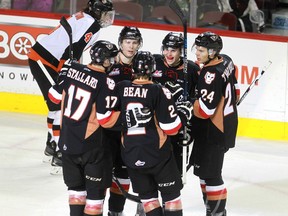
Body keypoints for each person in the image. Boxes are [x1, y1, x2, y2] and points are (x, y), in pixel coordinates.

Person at [27, 0, 115, 174]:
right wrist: (69, 71)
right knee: (59, 105)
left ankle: (52, 146)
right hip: (45, 61)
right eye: (105, 14)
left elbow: (72, 48)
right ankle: (60, 153)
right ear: (97, 12)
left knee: (56, 106)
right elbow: (75, 48)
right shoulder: (92, 25)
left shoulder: (85, 17)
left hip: (44, 59)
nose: (107, 18)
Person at [110, 51, 191, 216]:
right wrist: (183, 112)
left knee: (148, 199)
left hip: (131, 155)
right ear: (153, 70)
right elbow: (171, 128)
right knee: (171, 198)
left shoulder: (121, 87)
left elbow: (108, 118)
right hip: (157, 155)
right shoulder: (158, 90)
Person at [48, 40, 120, 216]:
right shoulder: (105, 81)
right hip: (91, 148)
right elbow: (105, 120)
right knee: (95, 197)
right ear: (103, 60)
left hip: (67, 144)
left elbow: (52, 98)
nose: (112, 62)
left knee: (76, 192)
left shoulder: (72, 70)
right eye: (110, 59)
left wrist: (62, 77)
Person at [189, 31, 239, 216]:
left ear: (212, 52)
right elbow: (235, 85)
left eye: (201, 50)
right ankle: (212, 210)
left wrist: (190, 105)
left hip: (214, 130)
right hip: (226, 125)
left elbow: (204, 111)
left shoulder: (210, 74)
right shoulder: (226, 60)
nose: (197, 53)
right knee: (205, 173)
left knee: (212, 175)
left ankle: (217, 213)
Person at [105, 26, 145, 216]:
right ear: (120, 43)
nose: (131, 46)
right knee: (101, 175)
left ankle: (115, 211)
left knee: (123, 175)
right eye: (127, 42)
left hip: (130, 131)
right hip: (107, 129)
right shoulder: (107, 62)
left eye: (134, 42)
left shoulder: (143, 65)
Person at [152, 32, 200, 173]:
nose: (169, 53)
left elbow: (197, 99)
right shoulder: (154, 62)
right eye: (166, 49)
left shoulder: (192, 69)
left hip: (178, 125)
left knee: (177, 171)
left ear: (181, 52)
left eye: (173, 50)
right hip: (154, 125)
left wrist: (190, 128)